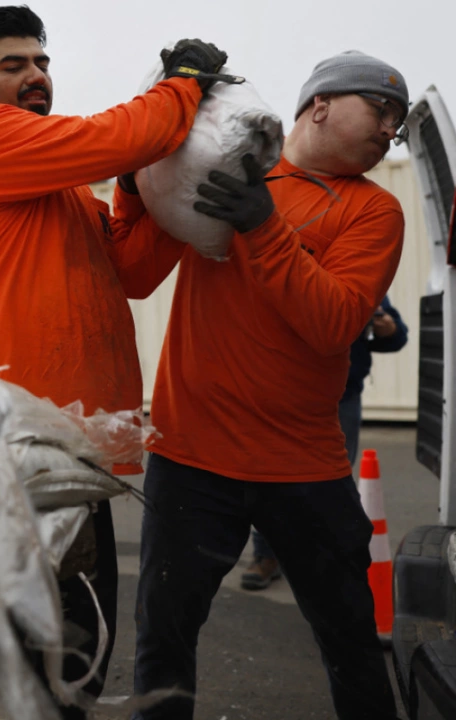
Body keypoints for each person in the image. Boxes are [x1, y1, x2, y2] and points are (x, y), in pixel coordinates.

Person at [0, 6, 230, 719]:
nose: (37, 76)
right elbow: (120, 134)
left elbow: (128, 269)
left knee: (67, 648)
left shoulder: (65, 185)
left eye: (42, 62)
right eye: (14, 65)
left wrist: (140, 191)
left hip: (62, 453)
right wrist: (184, 86)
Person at [129, 51, 409, 719]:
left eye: (397, 122)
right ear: (320, 105)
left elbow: (333, 322)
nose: (389, 130)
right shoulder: (227, 169)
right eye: (380, 110)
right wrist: (137, 180)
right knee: (162, 645)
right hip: (191, 457)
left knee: (352, 644)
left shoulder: (375, 213)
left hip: (302, 467)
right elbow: (134, 274)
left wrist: (263, 226)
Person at [242, 296, 409, 591]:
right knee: (270, 477)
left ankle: (324, 564)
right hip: (282, 395)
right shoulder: (283, 268)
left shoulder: (354, 273)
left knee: (331, 485)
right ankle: (267, 555)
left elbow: (395, 336)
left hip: (341, 398)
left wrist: (389, 328)